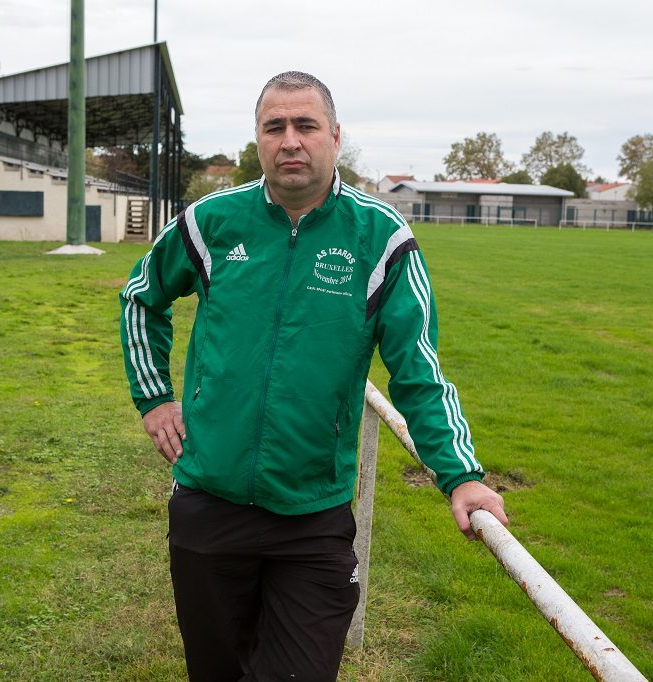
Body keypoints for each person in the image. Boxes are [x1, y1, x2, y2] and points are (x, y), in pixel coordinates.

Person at [120, 71, 507, 681]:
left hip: (313, 518)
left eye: (305, 125)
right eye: (274, 127)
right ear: (258, 140)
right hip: (208, 502)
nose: (290, 141)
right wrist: (154, 399)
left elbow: (418, 370)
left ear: (334, 136)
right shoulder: (211, 222)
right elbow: (141, 297)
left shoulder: (380, 239)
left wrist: (460, 475)